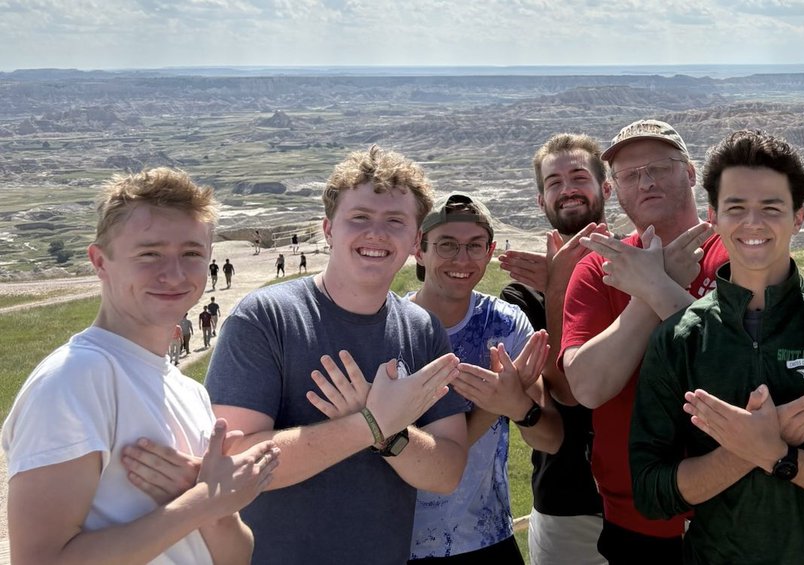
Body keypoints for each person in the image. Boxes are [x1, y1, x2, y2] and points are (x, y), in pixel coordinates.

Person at [629, 130, 804, 564]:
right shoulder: (679, 339)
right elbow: (651, 492)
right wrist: (751, 448)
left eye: (772, 208)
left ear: (799, 217)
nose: (753, 223)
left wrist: (780, 456)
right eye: (736, 208)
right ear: (714, 216)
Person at [195, 145, 470, 564]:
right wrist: (371, 423)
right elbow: (233, 464)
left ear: (416, 240)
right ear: (328, 229)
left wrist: (389, 435)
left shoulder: (422, 329)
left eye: (395, 221)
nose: (376, 233)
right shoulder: (266, 318)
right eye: (359, 217)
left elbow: (447, 471)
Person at [1, 167, 278, 564]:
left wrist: (216, 508)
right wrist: (202, 502)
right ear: (100, 262)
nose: (174, 274)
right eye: (150, 254)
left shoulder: (189, 391)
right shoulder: (75, 379)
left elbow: (236, 556)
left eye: (192, 254)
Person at [560, 119, 726, 563]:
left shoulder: (735, 255)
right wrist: (651, 292)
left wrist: (655, 285)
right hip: (636, 518)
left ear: (690, 173)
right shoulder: (598, 269)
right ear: (616, 189)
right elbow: (588, 387)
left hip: (735, 508)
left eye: (660, 167)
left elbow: (741, 370)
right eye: (630, 175)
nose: (646, 182)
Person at [397, 192, 562, 563]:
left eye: (475, 246)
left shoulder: (505, 325)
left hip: (485, 539)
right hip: (397, 541)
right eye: (447, 244)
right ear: (418, 250)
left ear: (490, 252)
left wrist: (519, 406)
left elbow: (550, 439)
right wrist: (493, 407)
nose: (462, 259)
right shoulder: (390, 327)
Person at [497, 132, 610, 565]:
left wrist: (566, 281)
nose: (567, 190)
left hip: (652, 496)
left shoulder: (641, 267)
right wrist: (557, 289)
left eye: (579, 177)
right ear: (541, 200)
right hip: (568, 503)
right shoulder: (521, 297)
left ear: (606, 189)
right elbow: (562, 392)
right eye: (553, 182)